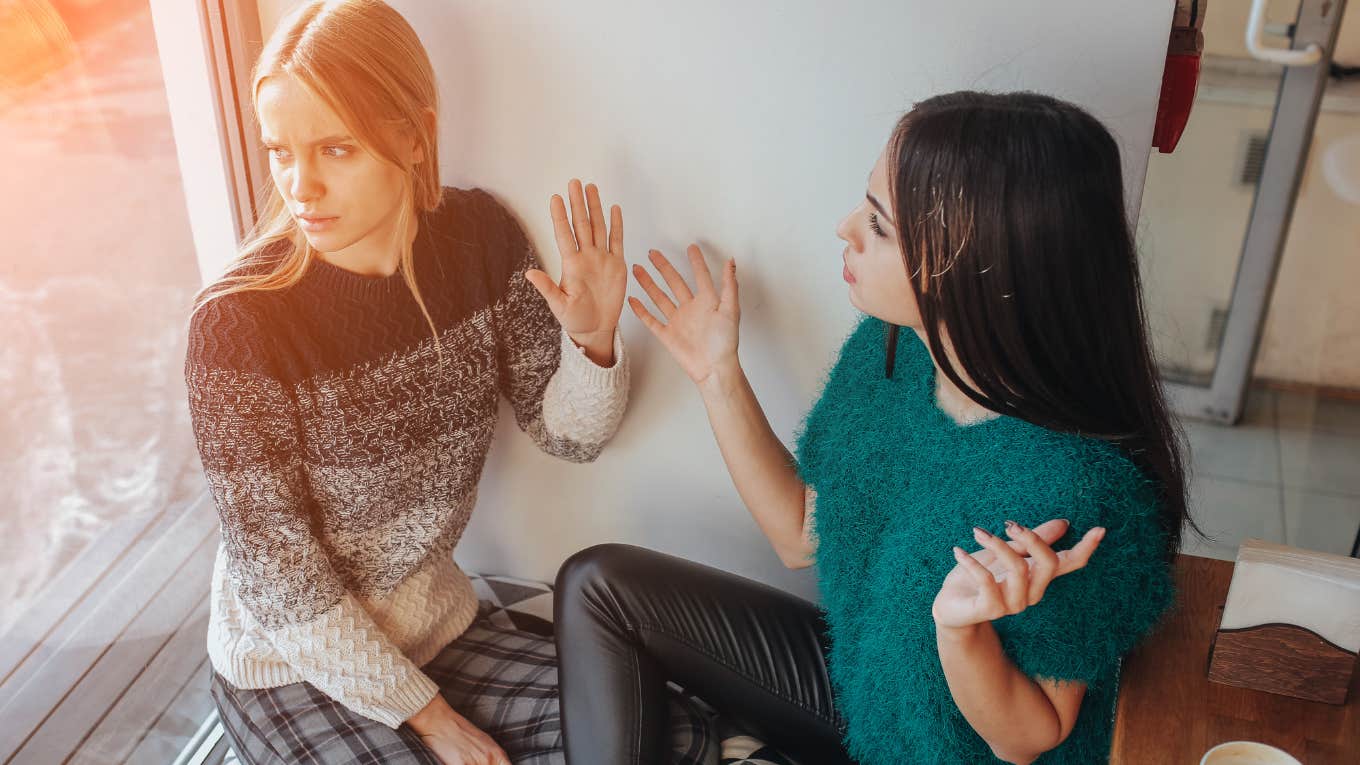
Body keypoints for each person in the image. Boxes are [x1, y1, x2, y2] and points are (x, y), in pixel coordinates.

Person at [554, 91, 1193, 765]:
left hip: (944, 753)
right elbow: (800, 533)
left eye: (879, 226)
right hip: (865, 693)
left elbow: (1028, 738)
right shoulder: (888, 353)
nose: (844, 228)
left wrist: (961, 632)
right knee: (599, 585)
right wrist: (718, 374)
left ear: (977, 262)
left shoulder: (1078, 486)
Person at [185, 2, 684, 763]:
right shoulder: (236, 325)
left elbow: (568, 436)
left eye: (335, 149)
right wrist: (432, 719)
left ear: (414, 135)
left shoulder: (478, 240)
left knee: (669, 734)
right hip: (289, 664)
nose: (300, 186)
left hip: (436, 630)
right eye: (279, 151)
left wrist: (591, 339)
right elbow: (283, 583)